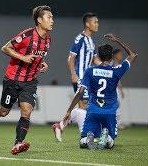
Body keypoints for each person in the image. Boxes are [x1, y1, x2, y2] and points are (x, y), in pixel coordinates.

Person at [0, 5, 54, 155]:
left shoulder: (47, 40)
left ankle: (17, 144)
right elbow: (5, 48)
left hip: (30, 82)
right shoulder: (27, 35)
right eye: (49, 17)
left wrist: (42, 64)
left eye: (52, 17)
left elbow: (37, 57)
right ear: (40, 20)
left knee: (26, 111)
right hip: (12, 80)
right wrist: (23, 57)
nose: (52, 20)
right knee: (3, 112)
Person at [63, 33, 137, 149]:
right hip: (110, 112)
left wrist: (68, 111)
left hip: (93, 111)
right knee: (111, 143)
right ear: (111, 57)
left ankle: (88, 138)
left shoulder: (90, 71)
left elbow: (80, 92)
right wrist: (117, 40)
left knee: (82, 142)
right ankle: (107, 138)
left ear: (98, 56)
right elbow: (132, 55)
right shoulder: (116, 71)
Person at [52, 12, 101, 142]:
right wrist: (74, 75)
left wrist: (106, 68)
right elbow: (70, 58)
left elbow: (95, 60)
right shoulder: (80, 39)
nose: (97, 24)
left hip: (88, 79)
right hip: (80, 77)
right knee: (84, 106)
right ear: (87, 23)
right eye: (95, 22)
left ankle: (60, 126)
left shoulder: (91, 41)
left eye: (97, 22)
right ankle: (85, 135)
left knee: (83, 107)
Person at [112, 49, 126, 129]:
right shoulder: (114, 65)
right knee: (116, 105)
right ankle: (117, 123)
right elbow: (116, 79)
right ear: (115, 55)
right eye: (119, 54)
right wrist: (121, 90)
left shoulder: (115, 64)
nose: (121, 56)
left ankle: (116, 123)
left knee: (116, 105)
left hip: (114, 88)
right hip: (114, 88)